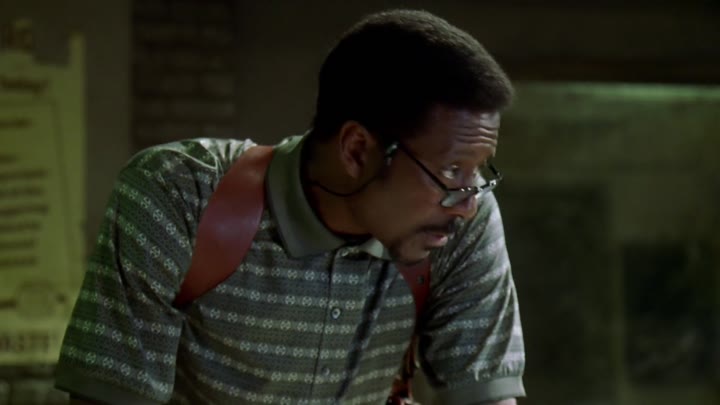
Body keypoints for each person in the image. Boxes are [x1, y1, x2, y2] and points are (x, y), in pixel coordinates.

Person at [55, 9, 525, 405]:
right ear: (357, 150)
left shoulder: (460, 222)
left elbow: (486, 396)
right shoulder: (181, 196)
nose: (468, 203)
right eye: (452, 169)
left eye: (478, 171)